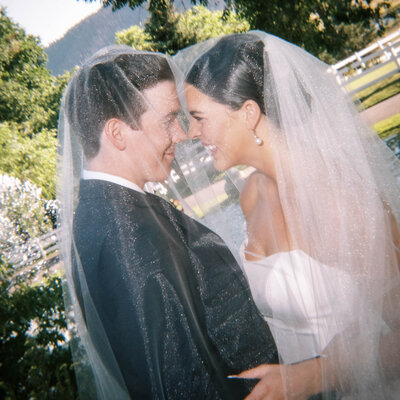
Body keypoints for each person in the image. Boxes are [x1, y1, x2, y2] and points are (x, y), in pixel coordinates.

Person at [180, 32, 400, 399]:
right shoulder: (252, 195)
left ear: (248, 113)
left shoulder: (340, 201)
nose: (192, 133)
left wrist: (312, 377)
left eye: (200, 118)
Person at [57, 45, 279, 400]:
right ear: (117, 134)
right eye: (168, 120)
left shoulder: (105, 214)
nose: (181, 134)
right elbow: (177, 384)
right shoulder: (128, 238)